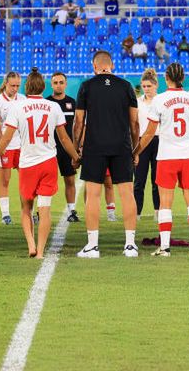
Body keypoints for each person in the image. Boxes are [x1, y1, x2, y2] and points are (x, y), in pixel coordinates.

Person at [0, 70, 80, 258]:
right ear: (44, 86)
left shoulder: (18, 107)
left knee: (26, 208)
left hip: (27, 164)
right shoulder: (53, 107)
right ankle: (41, 251)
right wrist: (75, 156)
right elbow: (64, 139)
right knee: (45, 209)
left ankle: (31, 245)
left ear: (26, 87)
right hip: (48, 162)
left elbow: (6, 139)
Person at [135, 63, 189, 257]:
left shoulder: (159, 100)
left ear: (166, 77)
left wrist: (136, 152)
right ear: (183, 77)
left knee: (165, 203)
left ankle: (165, 247)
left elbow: (150, 133)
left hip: (167, 156)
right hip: (188, 155)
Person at [73, 50, 140, 259]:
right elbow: (135, 123)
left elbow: (78, 122)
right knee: (127, 193)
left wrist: (76, 149)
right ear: (112, 65)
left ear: (94, 67)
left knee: (93, 195)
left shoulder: (87, 86)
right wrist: (135, 148)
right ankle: (130, 245)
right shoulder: (126, 86)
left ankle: (92, 246)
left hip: (95, 146)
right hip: (121, 145)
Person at [47, 72, 81, 223]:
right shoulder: (46, 103)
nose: (58, 85)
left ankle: (71, 210)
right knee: (46, 182)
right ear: (51, 84)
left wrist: (77, 147)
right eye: (55, 82)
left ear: (66, 84)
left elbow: (77, 127)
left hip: (67, 149)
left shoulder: (72, 103)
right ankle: (41, 211)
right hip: (49, 149)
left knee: (70, 180)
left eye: (61, 82)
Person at [0, 72, 26, 225]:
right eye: (12, 85)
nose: (15, 88)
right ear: (6, 83)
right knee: (5, 180)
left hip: (21, 145)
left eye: (17, 86)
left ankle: (27, 211)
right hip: (6, 146)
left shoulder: (23, 100)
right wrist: (1, 144)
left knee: (26, 179)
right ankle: (5, 214)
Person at [132, 69, 160, 220]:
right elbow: (134, 124)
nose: (146, 89)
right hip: (142, 142)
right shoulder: (137, 102)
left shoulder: (161, 101)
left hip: (158, 141)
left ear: (156, 85)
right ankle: (136, 213)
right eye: (144, 86)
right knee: (139, 181)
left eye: (149, 86)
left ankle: (158, 212)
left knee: (157, 181)